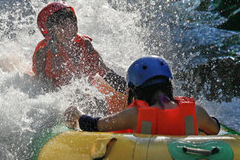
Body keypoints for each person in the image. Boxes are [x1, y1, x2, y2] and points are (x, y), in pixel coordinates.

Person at [64, 55, 220, 135]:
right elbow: (215, 129)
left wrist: (77, 113)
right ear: (168, 84)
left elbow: (94, 125)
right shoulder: (196, 112)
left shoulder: (134, 115)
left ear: (135, 90)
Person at [32, 2, 126, 94]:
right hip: (59, 97)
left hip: (85, 94)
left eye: (72, 21)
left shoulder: (85, 45)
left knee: (95, 101)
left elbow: (105, 72)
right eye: (64, 24)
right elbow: (40, 86)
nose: (71, 27)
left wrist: (128, 89)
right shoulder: (43, 52)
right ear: (52, 31)